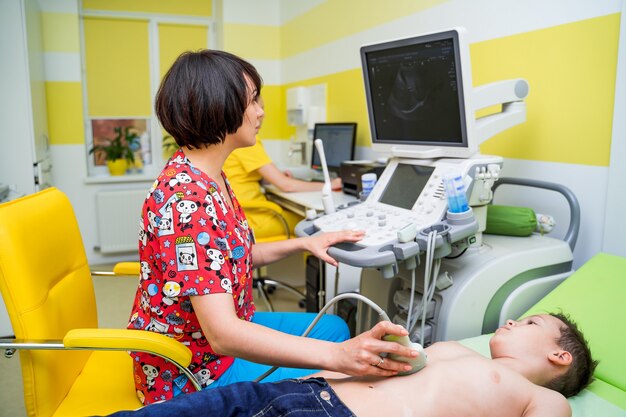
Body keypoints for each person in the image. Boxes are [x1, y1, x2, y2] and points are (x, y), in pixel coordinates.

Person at [128, 49, 418, 406]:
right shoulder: (185, 202)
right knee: (343, 374)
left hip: (219, 337)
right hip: (195, 369)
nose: (261, 111)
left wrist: (304, 244)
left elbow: (238, 254)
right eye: (253, 100)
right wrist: (338, 359)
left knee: (335, 329)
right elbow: (222, 335)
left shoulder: (211, 177)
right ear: (220, 105)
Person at [108, 312, 597, 417]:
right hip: (297, 390)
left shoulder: (545, 399)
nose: (511, 319)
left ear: (559, 355)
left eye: (530, 322)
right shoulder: (459, 350)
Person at [223, 94, 342, 239]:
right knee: (314, 223)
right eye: (255, 107)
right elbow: (286, 186)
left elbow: (243, 175)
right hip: (254, 220)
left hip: (240, 216)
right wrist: (330, 184)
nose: (261, 114)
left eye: (262, 108)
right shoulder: (247, 142)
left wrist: (274, 178)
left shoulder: (230, 137)